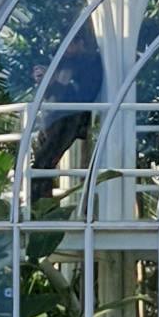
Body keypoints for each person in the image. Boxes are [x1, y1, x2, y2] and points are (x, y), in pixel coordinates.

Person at [25, 16, 105, 214]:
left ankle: (41, 211)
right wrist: (43, 81)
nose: (66, 47)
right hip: (52, 119)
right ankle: (42, 209)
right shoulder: (63, 62)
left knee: (42, 165)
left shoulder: (92, 63)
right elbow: (52, 92)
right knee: (42, 164)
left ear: (80, 43)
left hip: (70, 119)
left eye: (70, 43)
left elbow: (84, 95)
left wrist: (55, 82)